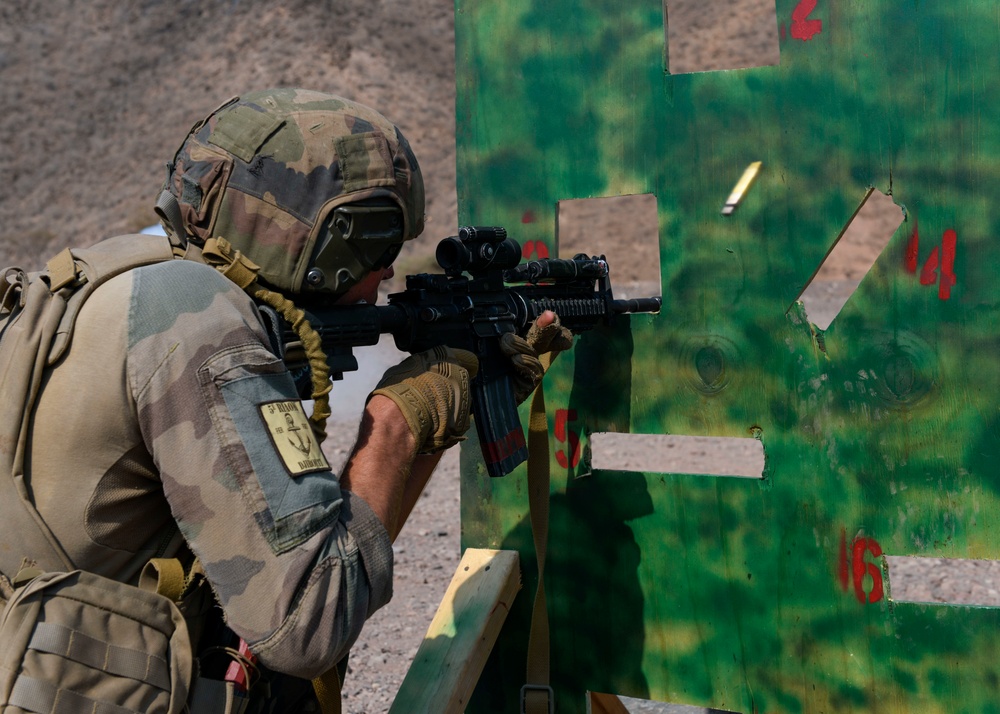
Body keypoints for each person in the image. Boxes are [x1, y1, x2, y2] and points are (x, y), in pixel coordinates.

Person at [0, 88, 568, 712]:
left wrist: (438, 416)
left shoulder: (129, 281)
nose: (384, 278)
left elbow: (327, 544)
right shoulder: (199, 323)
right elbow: (308, 625)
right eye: (376, 249)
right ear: (322, 242)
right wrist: (397, 426)